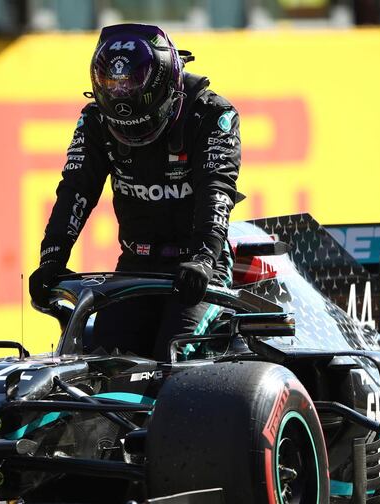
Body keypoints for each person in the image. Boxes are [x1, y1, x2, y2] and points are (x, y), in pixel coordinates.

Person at [29, 23, 240, 360]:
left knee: (177, 358)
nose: (122, 94)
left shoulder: (211, 115)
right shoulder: (96, 120)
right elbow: (75, 190)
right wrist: (52, 259)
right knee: (102, 366)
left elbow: (217, 188)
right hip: (135, 265)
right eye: (114, 88)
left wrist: (203, 258)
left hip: (200, 269)